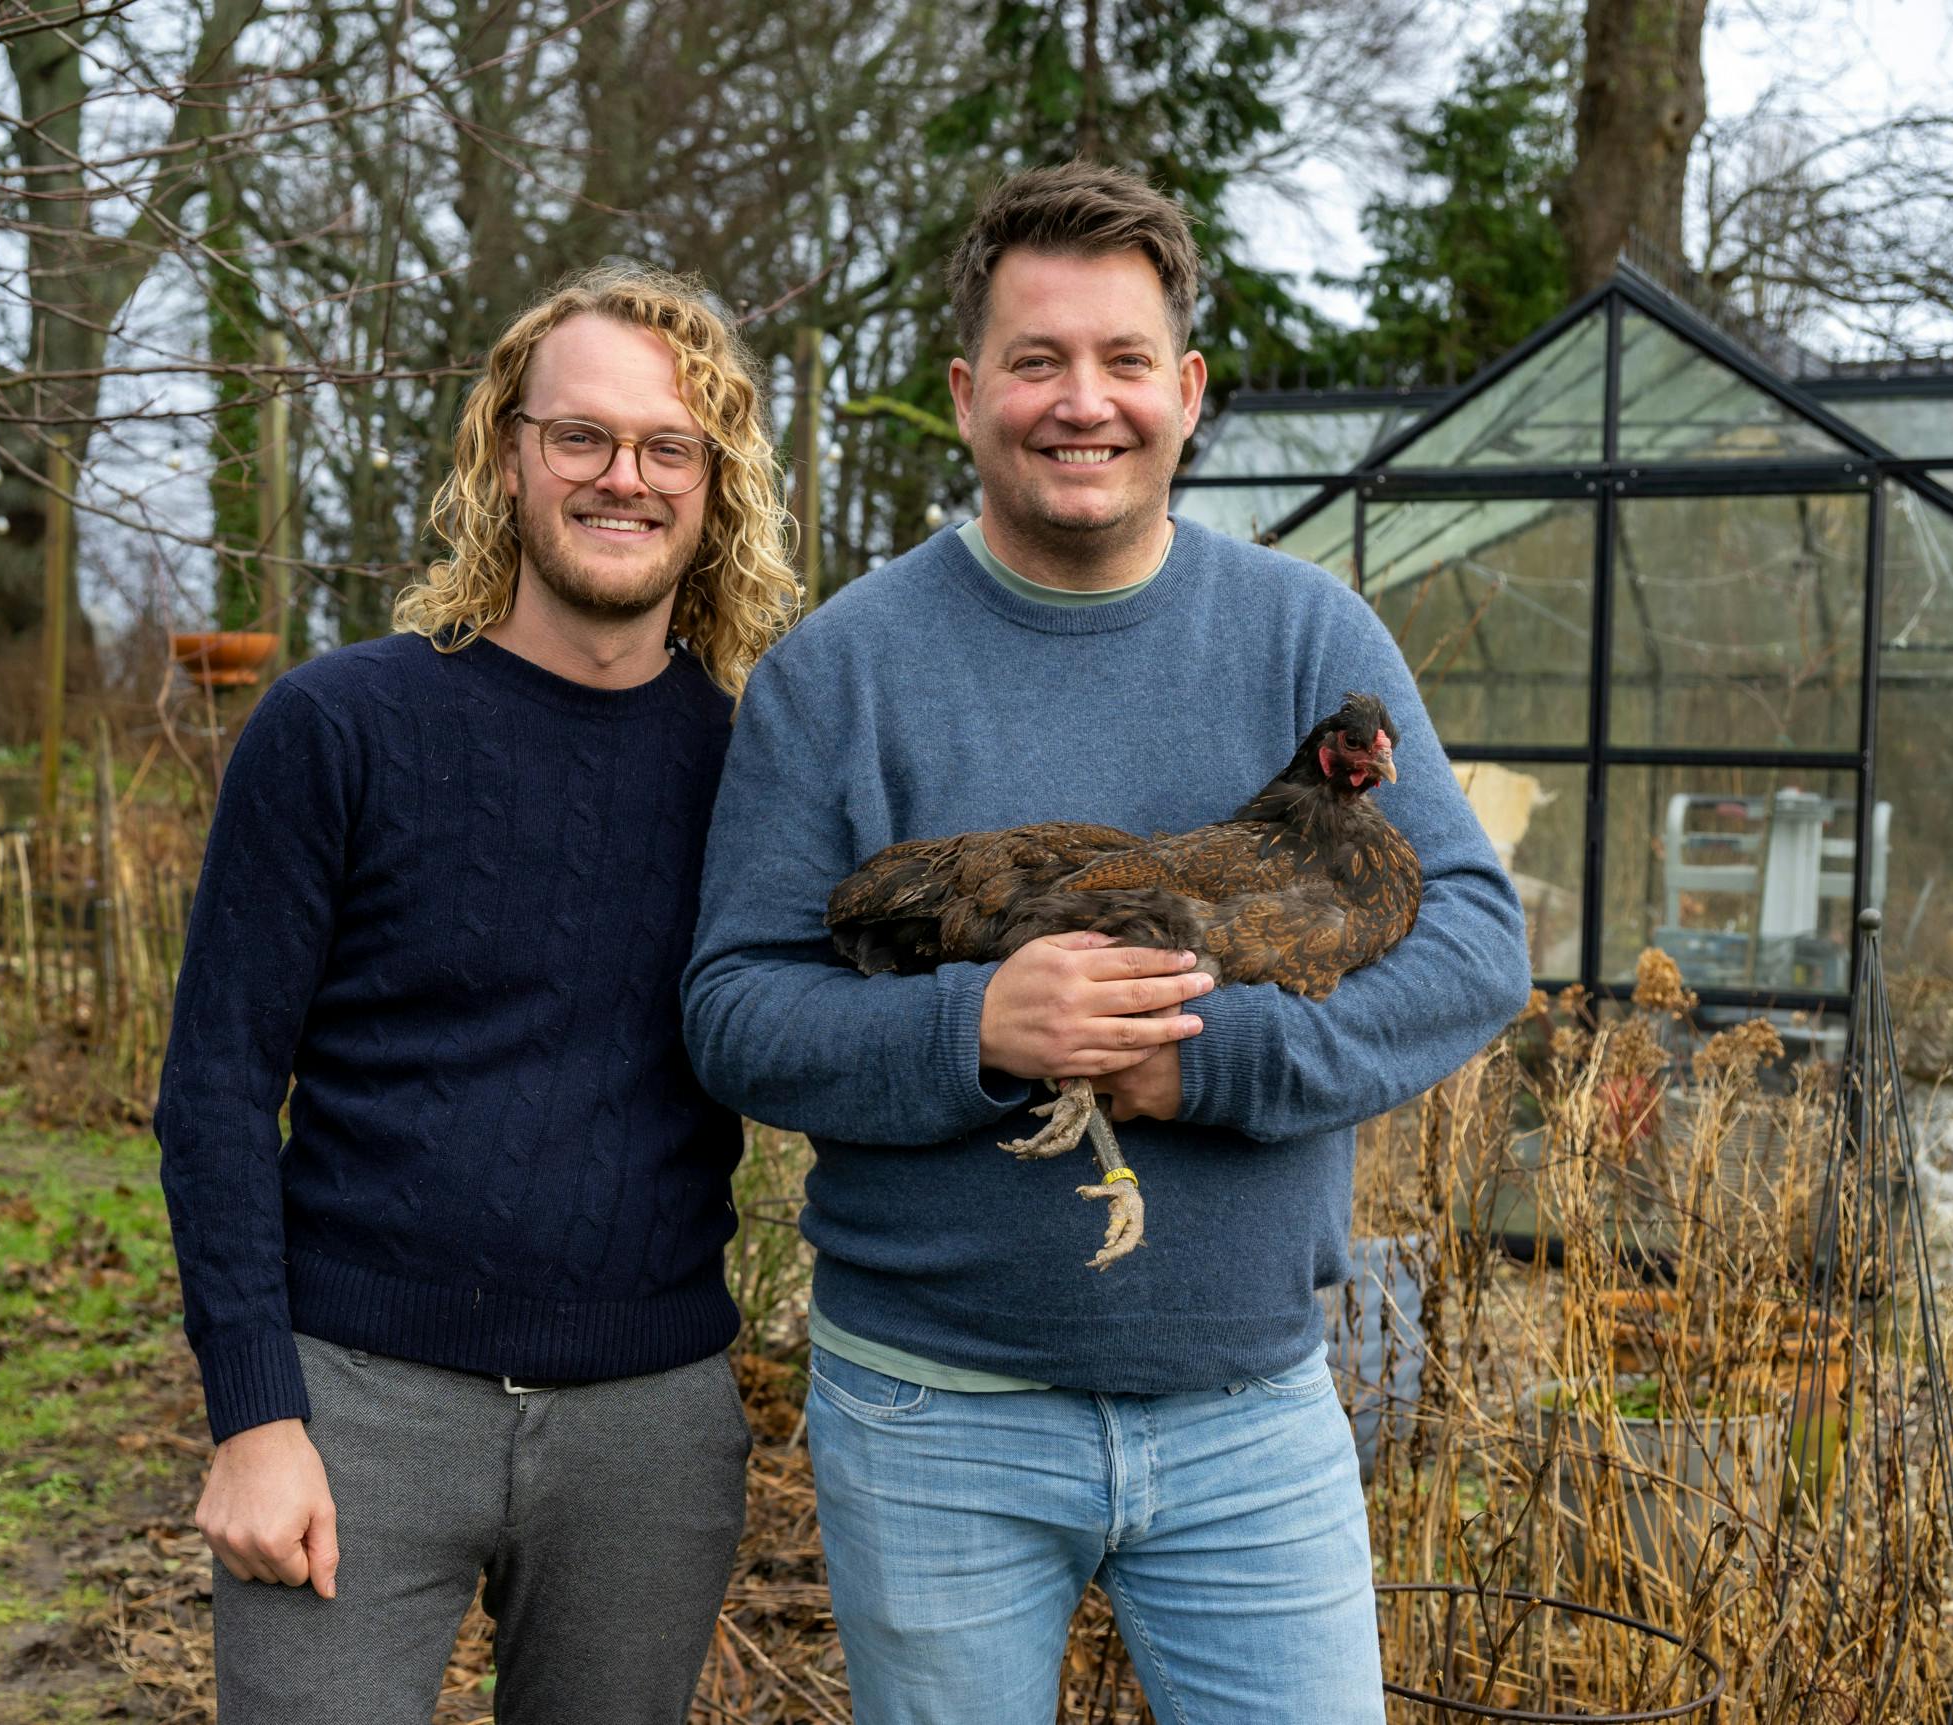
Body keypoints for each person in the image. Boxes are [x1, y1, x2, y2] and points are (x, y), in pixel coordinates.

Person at [683, 163, 1530, 1723]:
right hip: (935, 1415)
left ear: (1187, 390)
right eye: (1037, 360)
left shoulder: (1309, 637)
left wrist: (1202, 1062)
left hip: (1252, 1412)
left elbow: (1478, 943)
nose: (1086, 403)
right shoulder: (837, 673)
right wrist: (977, 1031)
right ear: (965, 392)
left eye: (1125, 361)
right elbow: (734, 1011)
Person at [156, 260, 801, 1725]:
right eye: (580, 435)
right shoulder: (338, 727)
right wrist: (255, 1412)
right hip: (354, 1402)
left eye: (666, 446)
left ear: (713, 483)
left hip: (648, 1425)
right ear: (506, 453)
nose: (620, 476)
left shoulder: (759, 769)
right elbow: (210, 1091)